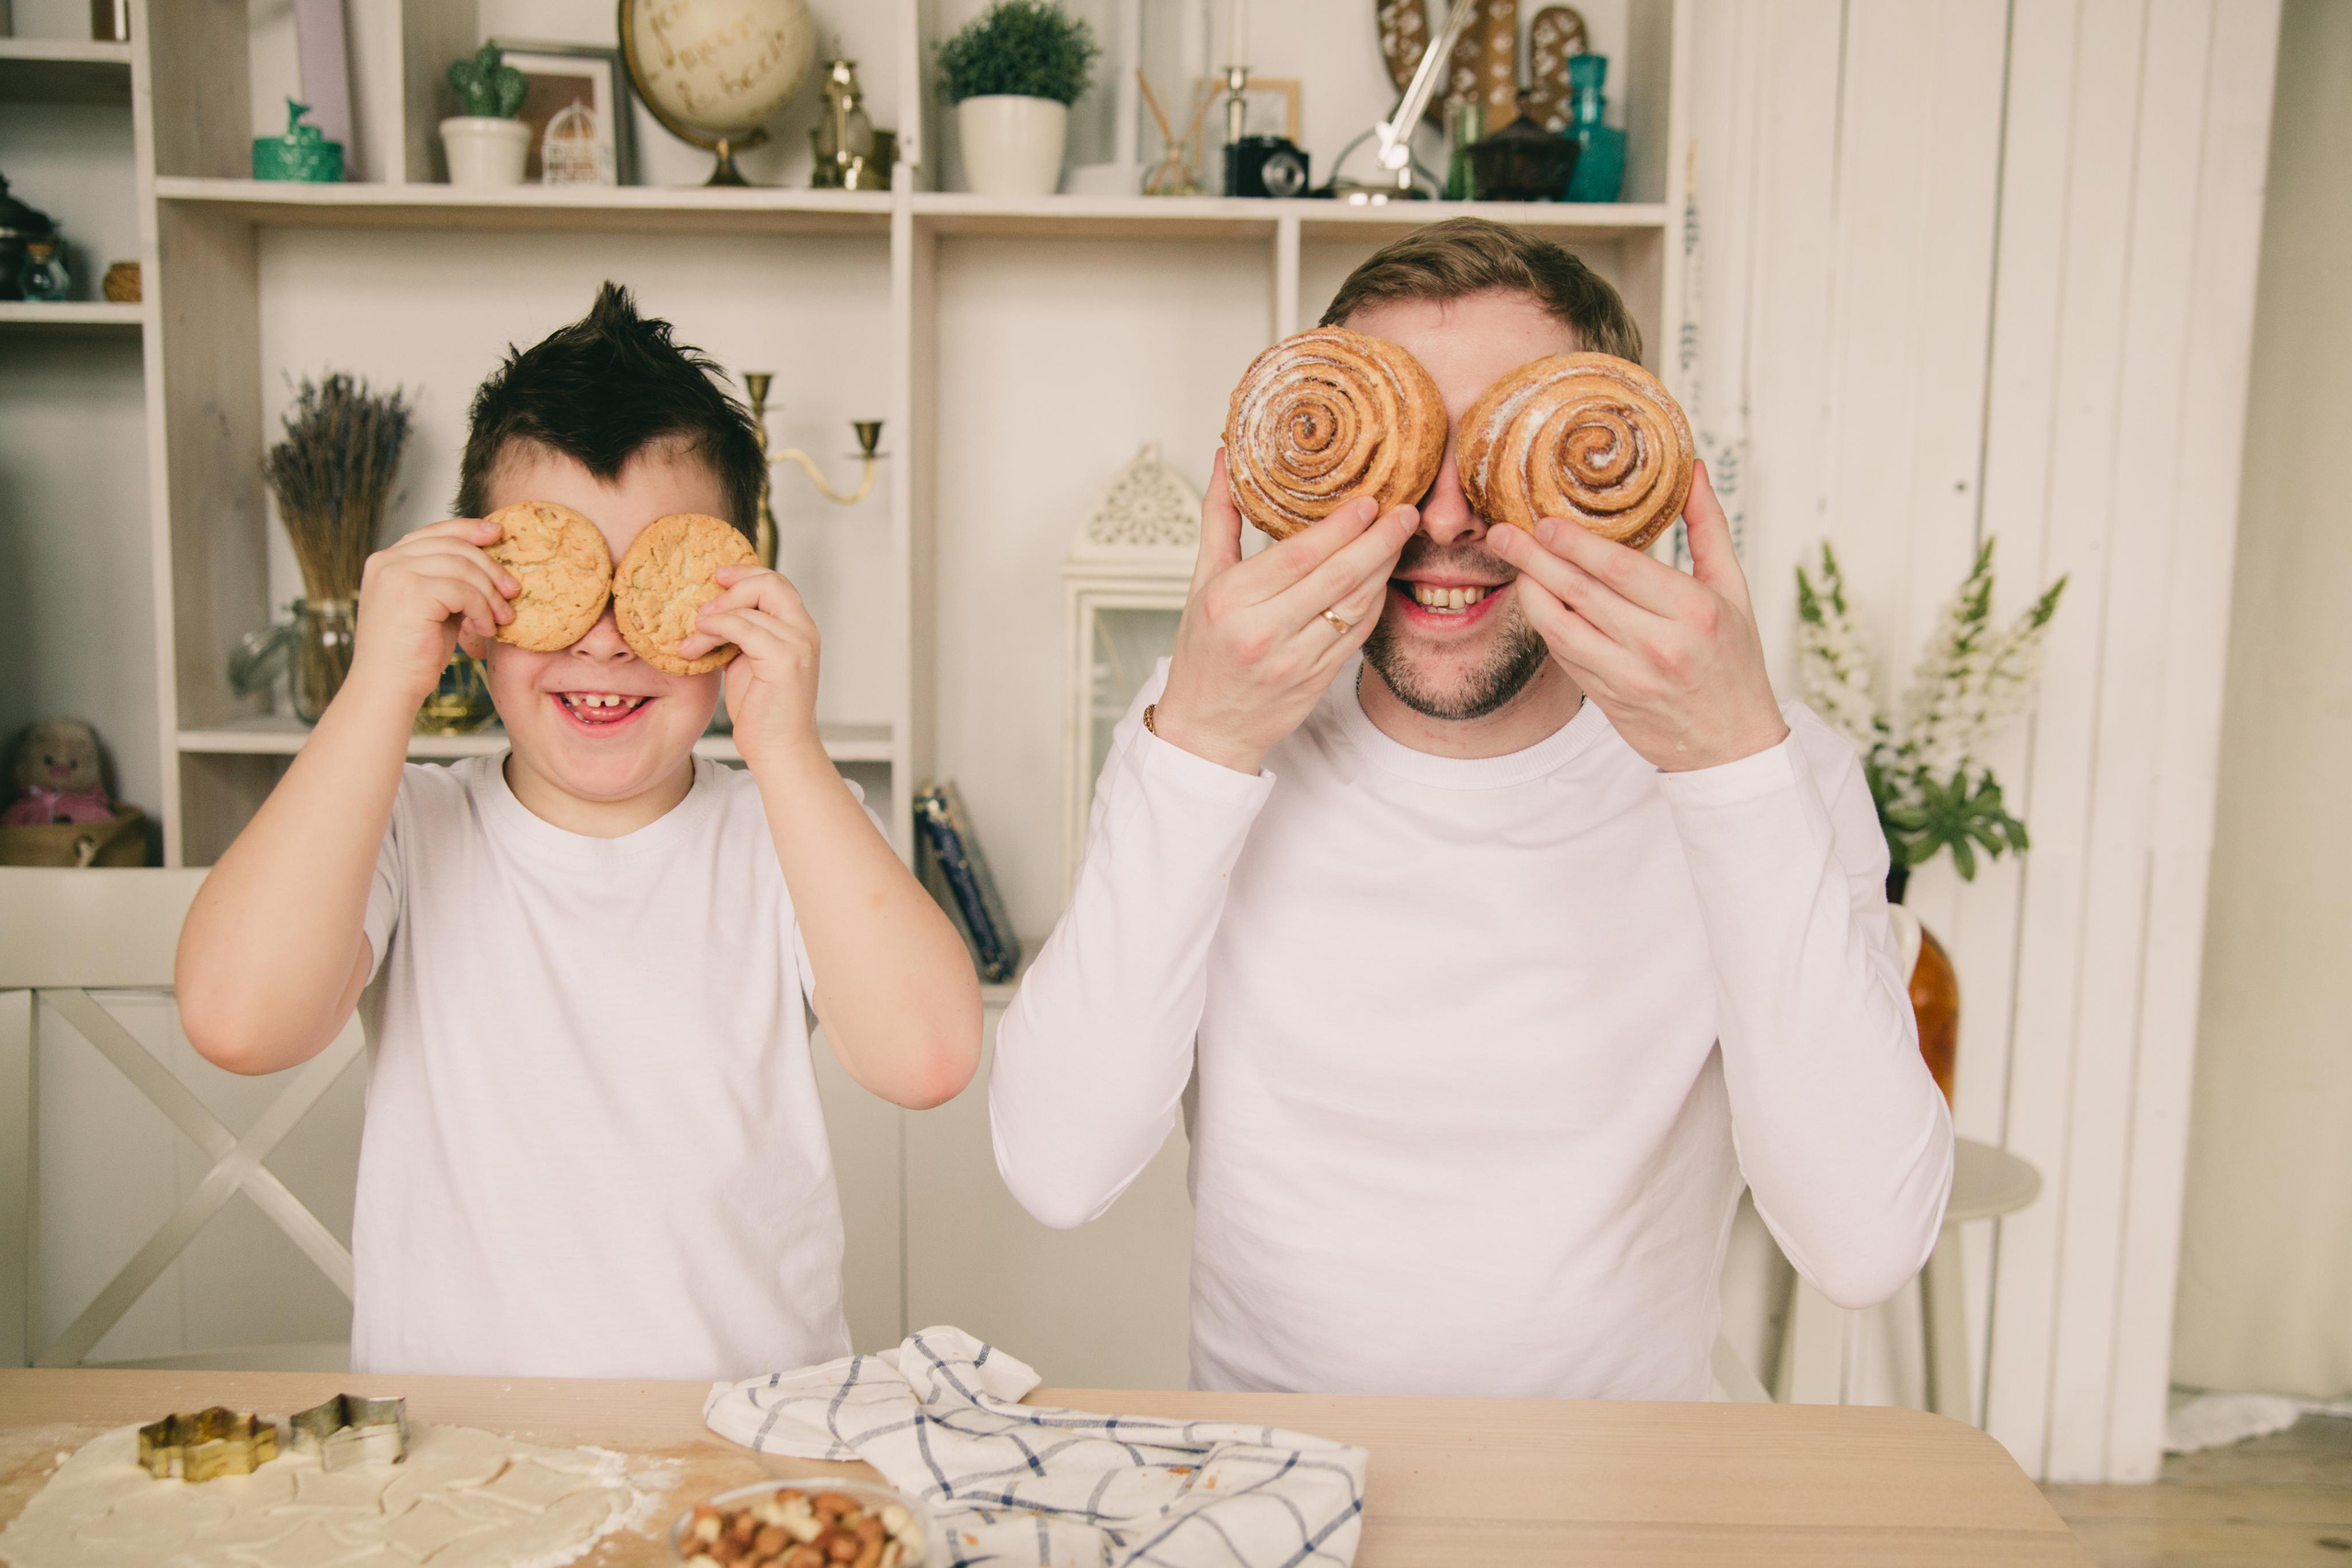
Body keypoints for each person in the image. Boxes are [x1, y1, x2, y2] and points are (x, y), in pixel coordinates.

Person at [990, 220, 1954, 1399]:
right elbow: (1056, 1169)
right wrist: (1197, 745)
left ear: (1627, 469)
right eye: (1394, 453)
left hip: (1622, 1501)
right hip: (1280, 1495)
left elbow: (1862, 1249)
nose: (1443, 517)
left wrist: (1729, 773)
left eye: (1503, 444)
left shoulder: (1767, 764)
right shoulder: (1207, 728)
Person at [176, 284, 981, 1381]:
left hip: (737, 1455)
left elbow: (927, 1057)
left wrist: (788, 750)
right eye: (557, 587)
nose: (604, 642)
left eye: (651, 586)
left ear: (734, 596)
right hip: (456, 1464)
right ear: (474, 604)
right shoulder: (407, 826)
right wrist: (378, 685)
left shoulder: (783, 833)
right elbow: (237, 1019)